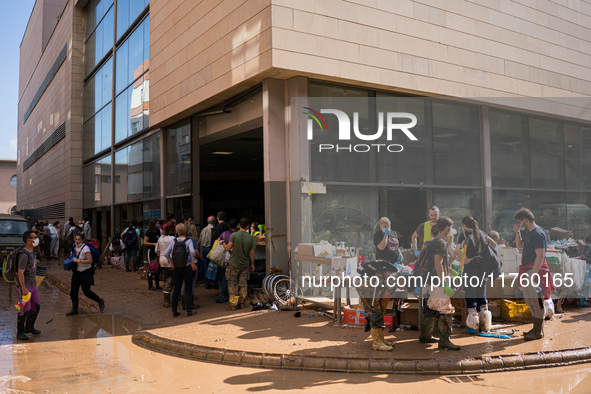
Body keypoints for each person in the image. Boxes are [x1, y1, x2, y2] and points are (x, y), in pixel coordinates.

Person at [419, 216, 460, 351]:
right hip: (438, 283)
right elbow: (438, 264)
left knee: (432, 308)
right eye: (451, 228)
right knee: (445, 310)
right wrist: (445, 284)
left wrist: (451, 272)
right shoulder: (441, 243)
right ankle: (444, 340)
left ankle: (425, 335)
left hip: (432, 282)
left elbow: (439, 264)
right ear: (447, 228)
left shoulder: (434, 241)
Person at [513, 208, 554, 340]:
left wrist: (533, 275)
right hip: (528, 270)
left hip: (534, 271)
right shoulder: (529, 233)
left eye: (520, 222)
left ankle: (538, 331)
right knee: (529, 300)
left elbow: (540, 256)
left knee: (537, 301)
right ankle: (536, 328)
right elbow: (520, 246)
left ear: (525, 220)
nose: (520, 224)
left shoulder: (537, 233)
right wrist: (517, 232)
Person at [454, 217, 497, 333]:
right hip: (483, 269)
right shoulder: (481, 233)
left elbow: (457, 250)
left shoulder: (464, 234)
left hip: (471, 269)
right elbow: (494, 244)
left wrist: (466, 259)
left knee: (471, 295)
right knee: (481, 295)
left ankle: (474, 325)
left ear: (464, 225)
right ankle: (485, 325)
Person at [163, 223, 197, 317]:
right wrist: (192, 262)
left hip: (177, 268)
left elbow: (166, 253)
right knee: (188, 288)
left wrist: (172, 262)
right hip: (187, 267)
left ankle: (174, 311)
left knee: (176, 289)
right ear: (185, 230)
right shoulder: (188, 241)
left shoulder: (174, 241)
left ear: (177, 231)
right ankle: (188, 310)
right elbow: (192, 252)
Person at [66, 233, 105, 316]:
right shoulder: (74, 247)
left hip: (86, 272)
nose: (77, 241)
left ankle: (100, 301)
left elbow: (90, 261)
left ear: (82, 240)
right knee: (73, 291)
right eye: (76, 239)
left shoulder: (85, 248)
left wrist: (79, 261)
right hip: (76, 272)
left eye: (79, 239)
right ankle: (74, 309)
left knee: (86, 291)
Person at [222, 217, 255, 310]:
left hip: (233, 264)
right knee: (243, 284)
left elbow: (228, 248)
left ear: (239, 225)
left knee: (232, 283)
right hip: (244, 264)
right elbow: (252, 253)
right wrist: (252, 264)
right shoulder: (250, 238)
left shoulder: (234, 235)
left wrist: (223, 243)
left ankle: (233, 305)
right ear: (248, 226)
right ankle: (242, 303)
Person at [373, 217, 402, 313]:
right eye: (384, 226)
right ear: (380, 226)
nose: (386, 228)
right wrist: (385, 235)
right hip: (383, 265)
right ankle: (380, 310)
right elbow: (381, 247)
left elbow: (395, 245)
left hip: (394, 264)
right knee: (384, 286)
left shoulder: (393, 233)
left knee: (395, 284)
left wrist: (399, 253)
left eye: (388, 226)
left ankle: (391, 307)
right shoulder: (378, 235)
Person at [16, 231, 41, 340]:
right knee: (25, 309)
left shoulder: (32, 252)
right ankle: (20, 332)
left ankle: (29, 327)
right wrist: (24, 288)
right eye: (35, 238)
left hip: (32, 285)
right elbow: (20, 272)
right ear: (28, 240)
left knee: (36, 307)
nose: (37, 239)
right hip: (25, 286)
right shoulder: (24, 254)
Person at [156, 222, 176, 307]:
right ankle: (167, 301)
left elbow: (157, 250)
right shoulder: (173, 239)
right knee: (170, 280)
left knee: (165, 279)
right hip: (170, 261)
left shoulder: (160, 238)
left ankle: (167, 299)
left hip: (162, 261)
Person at [144, 219, 161, 291]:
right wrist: (153, 244)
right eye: (157, 223)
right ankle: (150, 285)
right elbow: (145, 242)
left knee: (157, 267)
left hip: (157, 251)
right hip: (150, 250)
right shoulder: (149, 232)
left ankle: (157, 284)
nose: (158, 224)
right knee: (151, 267)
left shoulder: (158, 231)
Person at [199, 216, 215, 288]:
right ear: (214, 222)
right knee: (214, 266)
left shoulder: (203, 230)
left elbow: (200, 241)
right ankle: (214, 282)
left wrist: (201, 252)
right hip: (210, 249)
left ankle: (207, 283)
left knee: (206, 265)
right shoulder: (213, 229)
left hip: (204, 248)